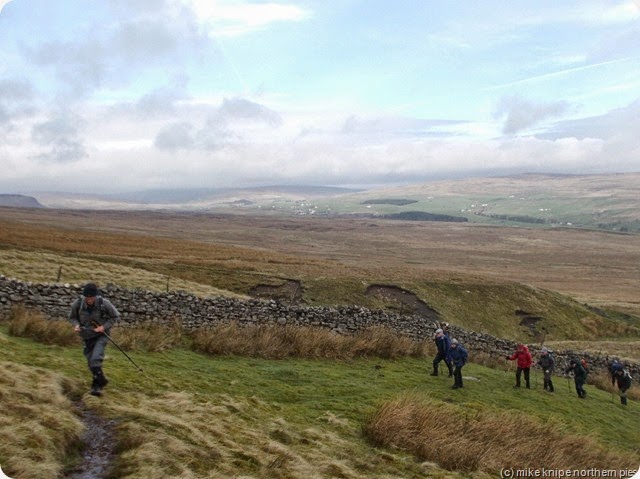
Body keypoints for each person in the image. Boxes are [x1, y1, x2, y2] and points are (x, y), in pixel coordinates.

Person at [68, 282, 120, 396]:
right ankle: (102, 380)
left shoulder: (104, 303)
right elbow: (72, 318)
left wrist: (103, 327)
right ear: (84, 296)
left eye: (92, 297)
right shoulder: (77, 304)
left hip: (101, 336)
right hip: (86, 336)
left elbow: (115, 317)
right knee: (91, 363)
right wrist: (76, 325)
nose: (90, 300)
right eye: (88, 297)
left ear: (96, 296)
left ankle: (96, 386)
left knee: (95, 359)